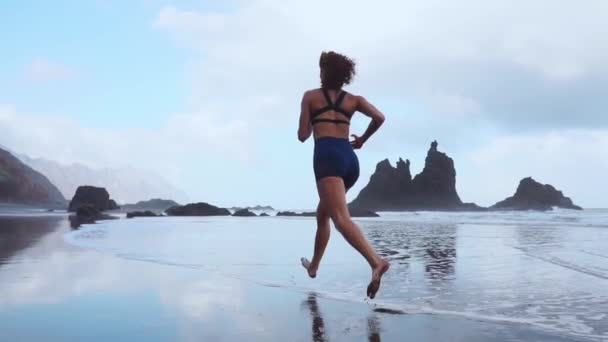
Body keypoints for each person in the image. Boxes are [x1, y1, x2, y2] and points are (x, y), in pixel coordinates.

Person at [298, 51, 390, 299]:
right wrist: (362, 139)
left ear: (325, 73)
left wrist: (312, 119)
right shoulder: (354, 100)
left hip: (327, 158)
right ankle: (314, 266)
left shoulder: (310, 97)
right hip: (350, 162)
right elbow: (379, 117)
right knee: (323, 214)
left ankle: (376, 262)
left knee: (340, 218)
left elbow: (302, 135)